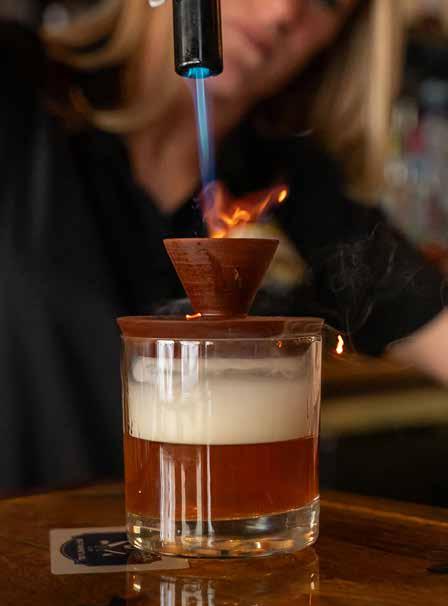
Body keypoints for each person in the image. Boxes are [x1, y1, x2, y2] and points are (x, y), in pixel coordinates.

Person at [0, 0, 446, 492]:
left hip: (217, 535)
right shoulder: (20, 87)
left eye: (327, 2)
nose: (283, 11)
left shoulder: (289, 184)